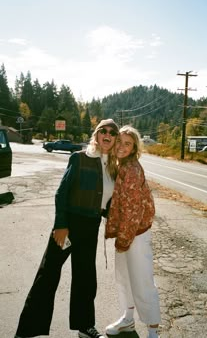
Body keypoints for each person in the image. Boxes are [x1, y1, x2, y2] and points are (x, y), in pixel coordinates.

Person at [14, 119, 119, 338]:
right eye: (103, 131)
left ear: (115, 138)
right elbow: (61, 193)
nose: (107, 135)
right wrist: (60, 224)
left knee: (85, 277)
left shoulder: (113, 166)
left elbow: (107, 201)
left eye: (112, 132)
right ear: (97, 134)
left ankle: (84, 326)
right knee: (48, 274)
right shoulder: (79, 158)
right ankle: (27, 330)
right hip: (69, 224)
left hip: (91, 226)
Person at [105, 125, 161, 338]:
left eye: (127, 143)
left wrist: (123, 239)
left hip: (135, 234)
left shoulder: (132, 169)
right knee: (124, 278)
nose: (121, 146)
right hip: (126, 233)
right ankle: (128, 320)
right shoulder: (120, 165)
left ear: (134, 147)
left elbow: (132, 210)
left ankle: (152, 331)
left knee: (142, 281)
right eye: (119, 141)